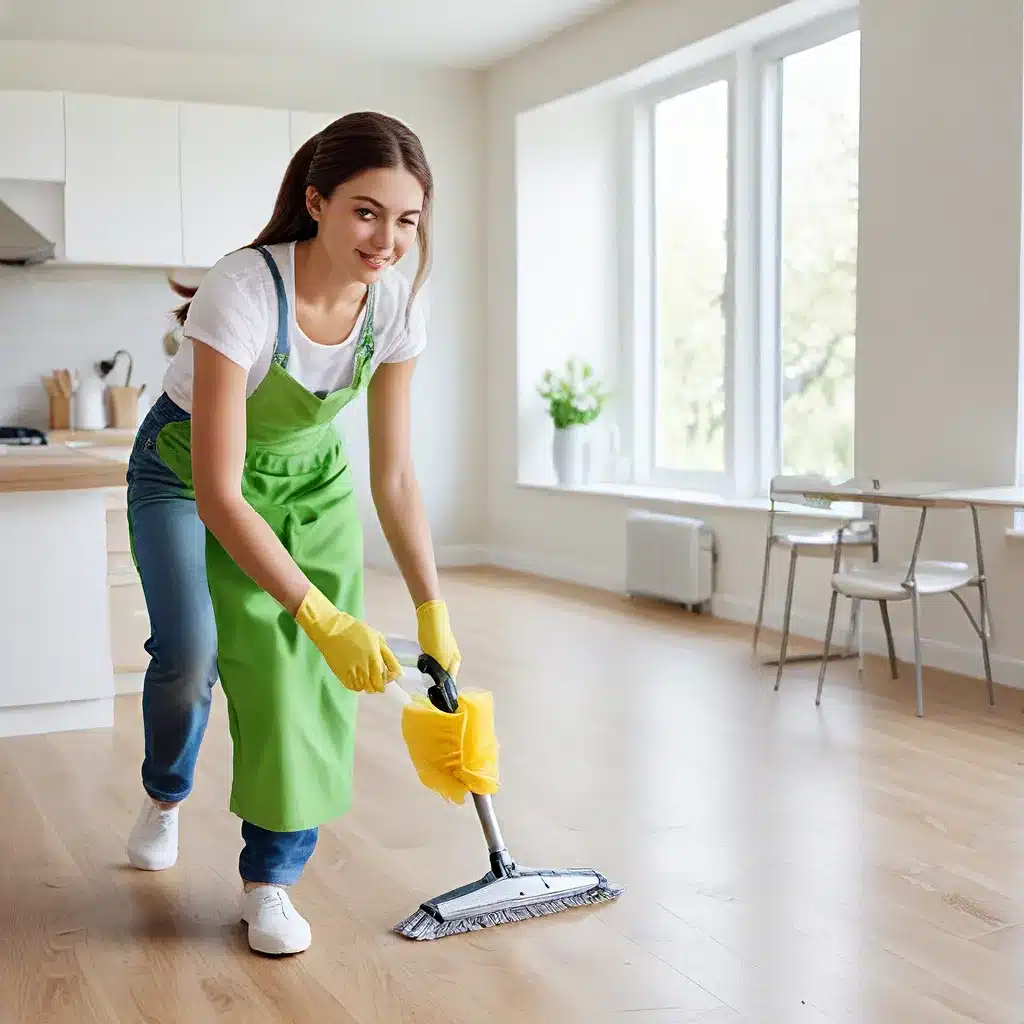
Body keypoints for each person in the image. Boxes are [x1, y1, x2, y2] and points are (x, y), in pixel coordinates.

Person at [123, 111, 461, 956]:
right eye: (366, 211)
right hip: (186, 471)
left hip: (310, 481)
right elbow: (218, 490)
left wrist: (431, 607)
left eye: (407, 220)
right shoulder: (243, 289)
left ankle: (270, 883)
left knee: (298, 679)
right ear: (316, 202)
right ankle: (166, 793)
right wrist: (320, 612)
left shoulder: (394, 309)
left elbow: (393, 476)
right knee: (191, 653)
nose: (387, 239)